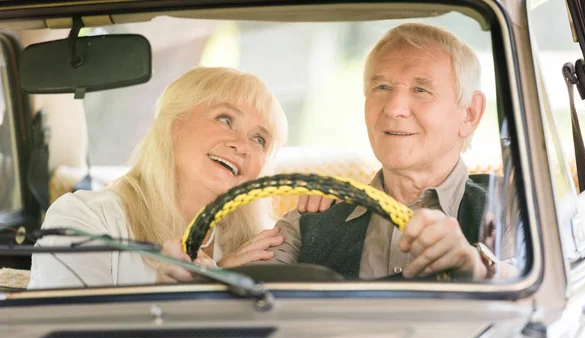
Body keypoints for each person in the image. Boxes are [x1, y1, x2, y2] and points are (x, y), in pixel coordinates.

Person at [265, 23, 516, 281]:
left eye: (421, 90)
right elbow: (250, 295)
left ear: (470, 113)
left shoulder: (515, 206)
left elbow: (545, 292)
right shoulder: (311, 219)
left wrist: (476, 265)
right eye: (382, 88)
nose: (394, 108)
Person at [28, 67, 288, 289]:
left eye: (259, 139)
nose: (242, 145)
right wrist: (216, 278)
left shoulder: (261, 242)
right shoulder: (85, 218)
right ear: (174, 124)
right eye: (225, 119)